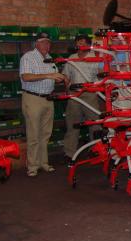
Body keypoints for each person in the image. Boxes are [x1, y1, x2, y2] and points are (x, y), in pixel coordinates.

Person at [20, 32, 68, 177]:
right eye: (43, 42)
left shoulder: (49, 59)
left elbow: (53, 75)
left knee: (45, 134)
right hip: (33, 98)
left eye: (48, 42)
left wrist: (60, 78)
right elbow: (26, 77)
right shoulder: (28, 57)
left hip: (48, 98)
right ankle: (32, 166)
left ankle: (43, 163)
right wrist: (49, 75)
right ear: (37, 44)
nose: (46, 45)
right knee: (34, 134)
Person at [62, 34, 101, 160]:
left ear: (88, 45)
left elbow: (101, 77)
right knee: (72, 124)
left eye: (83, 43)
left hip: (90, 93)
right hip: (74, 94)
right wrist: (67, 89)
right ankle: (69, 153)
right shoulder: (71, 58)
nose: (80, 46)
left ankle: (96, 150)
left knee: (94, 123)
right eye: (78, 43)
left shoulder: (95, 58)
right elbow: (66, 76)